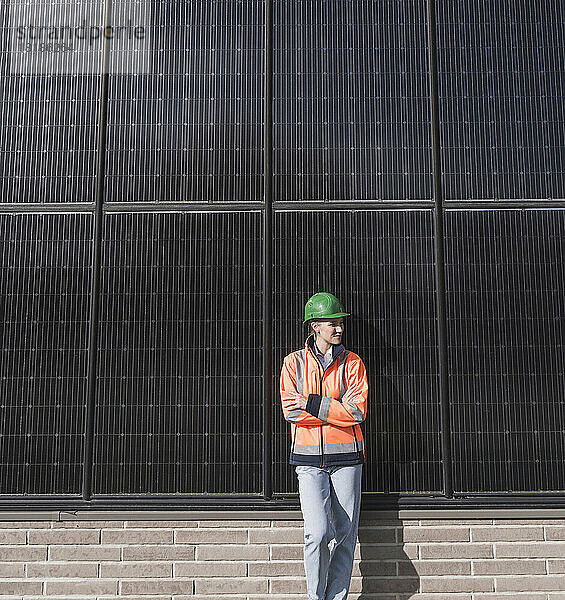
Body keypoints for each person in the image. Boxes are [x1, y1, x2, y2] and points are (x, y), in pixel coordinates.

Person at [280, 292, 369, 600]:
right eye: (332, 323)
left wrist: (313, 403)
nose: (339, 328)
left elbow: (357, 411)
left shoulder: (353, 363)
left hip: (347, 460)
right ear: (314, 326)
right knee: (317, 534)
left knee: (345, 536)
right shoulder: (293, 364)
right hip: (308, 461)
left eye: (340, 322)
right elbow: (291, 411)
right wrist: (336, 410)